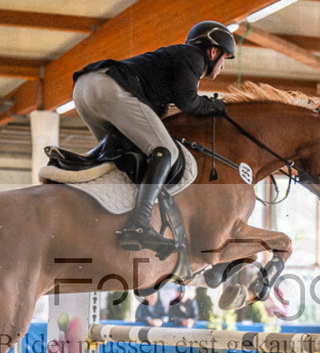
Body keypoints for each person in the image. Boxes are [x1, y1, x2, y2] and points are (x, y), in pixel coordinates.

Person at [72, 21, 236, 254]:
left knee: (122, 158)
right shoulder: (193, 57)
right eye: (224, 58)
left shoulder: (173, 62)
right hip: (108, 87)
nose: (222, 67)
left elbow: (163, 110)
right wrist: (212, 106)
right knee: (164, 152)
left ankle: (106, 213)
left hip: (83, 90)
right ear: (213, 51)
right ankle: (139, 225)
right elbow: (187, 101)